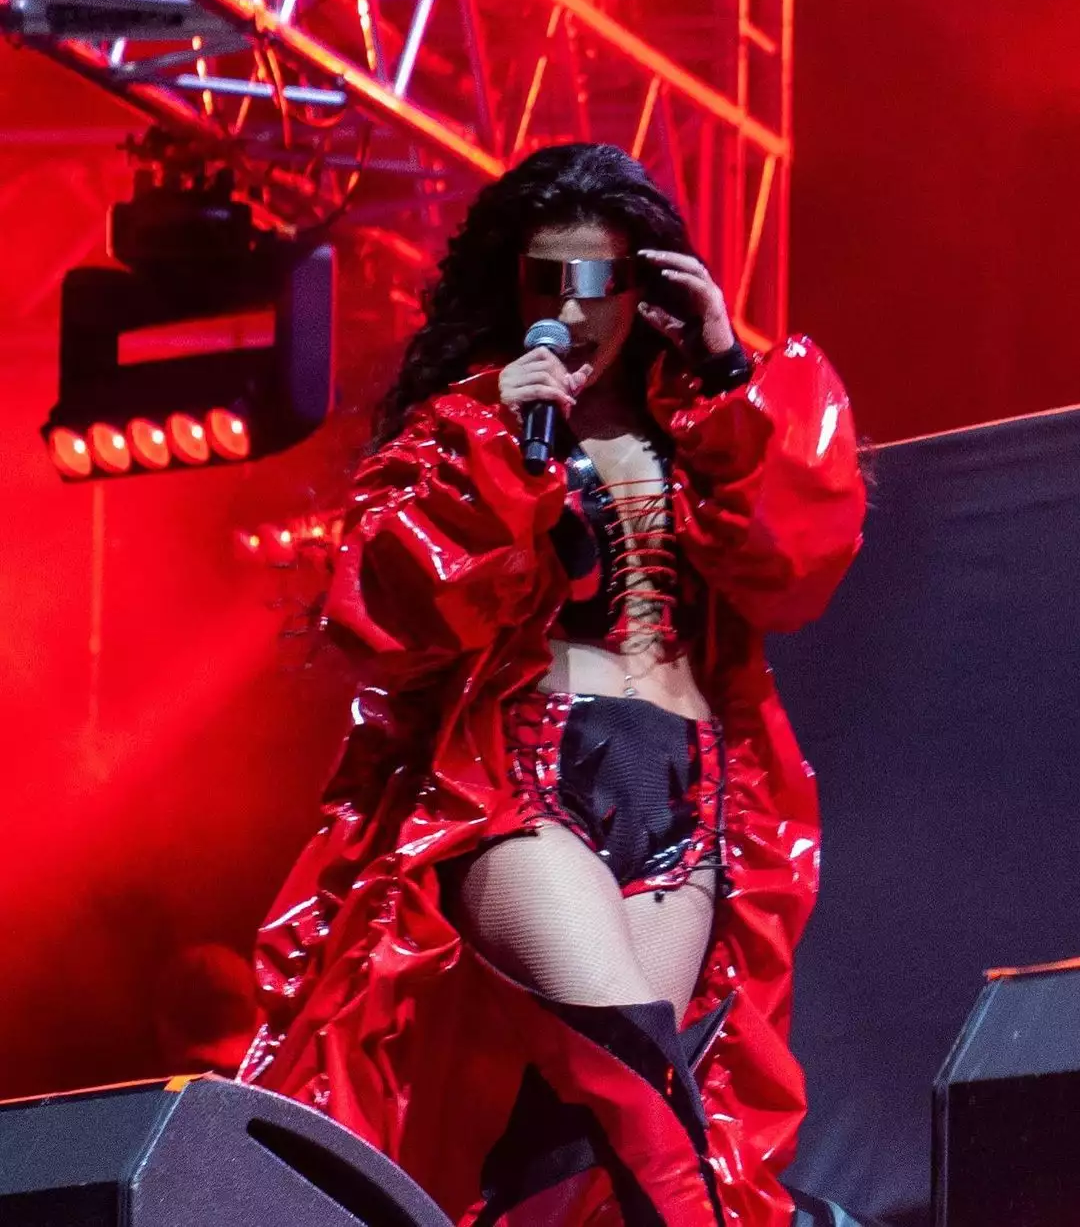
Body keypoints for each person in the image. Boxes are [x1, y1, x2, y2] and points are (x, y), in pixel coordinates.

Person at [238, 143, 866, 1226]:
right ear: (515, 287)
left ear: (644, 283)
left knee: (591, 1144)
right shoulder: (465, 429)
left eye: (600, 280)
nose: (575, 311)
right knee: (629, 1060)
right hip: (525, 786)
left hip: (690, 797)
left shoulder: (705, 423)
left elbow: (800, 562)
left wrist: (727, 367)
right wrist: (499, 443)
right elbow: (397, 613)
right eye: (550, 282)